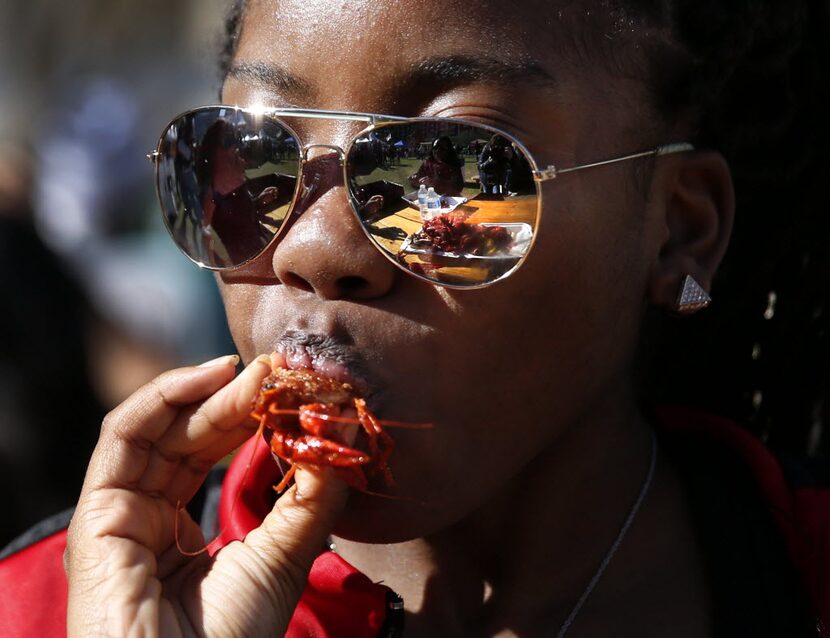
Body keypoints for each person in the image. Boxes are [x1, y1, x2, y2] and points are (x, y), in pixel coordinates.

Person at [1, 1, 829, 637]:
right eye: (249, 159)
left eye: (450, 171)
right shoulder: (48, 608)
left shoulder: (800, 576)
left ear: (679, 229)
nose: (314, 250)